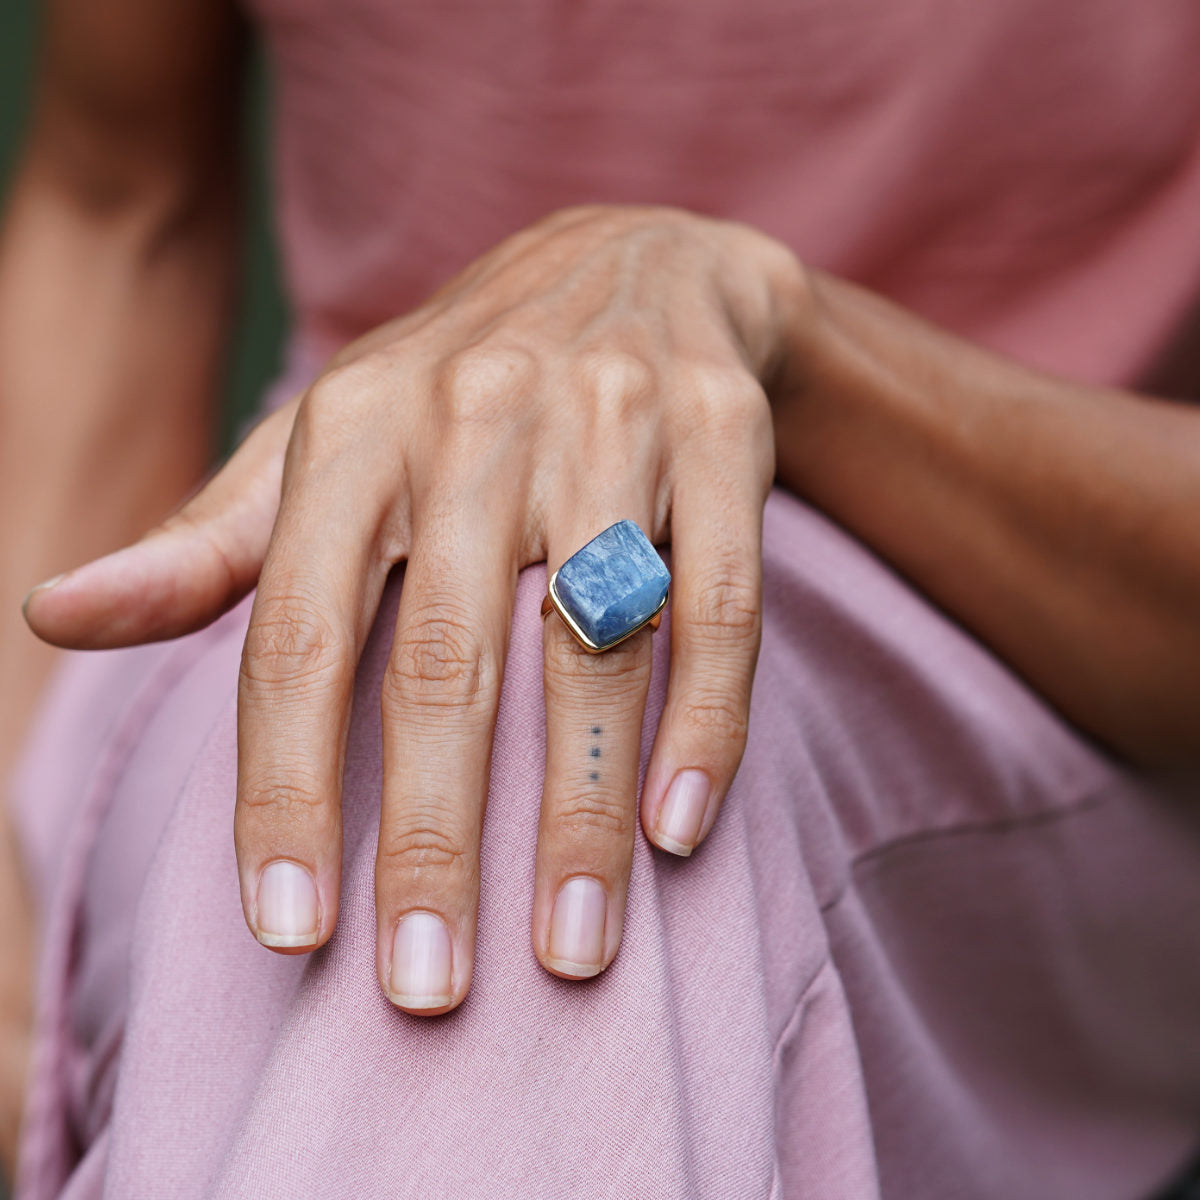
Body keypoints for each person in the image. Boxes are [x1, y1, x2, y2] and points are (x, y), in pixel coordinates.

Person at [4, 0, 1200, 1195]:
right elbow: (120, 203)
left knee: (554, 754)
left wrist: (797, 345)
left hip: (1059, 654)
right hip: (290, 593)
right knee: (450, 716)